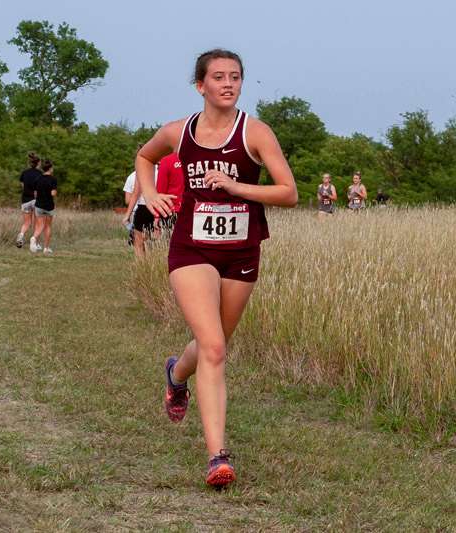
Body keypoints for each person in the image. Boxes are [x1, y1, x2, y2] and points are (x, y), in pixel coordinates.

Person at [135, 49, 297, 488]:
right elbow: (144, 158)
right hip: (191, 248)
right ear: (200, 85)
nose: (228, 83)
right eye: (219, 77)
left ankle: (176, 374)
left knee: (216, 343)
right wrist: (149, 194)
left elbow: (289, 193)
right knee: (214, 348)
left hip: (241, 251)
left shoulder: (256, 133)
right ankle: (217, 457)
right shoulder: (178, 132)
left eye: (236, 77)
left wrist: (234, 185)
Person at [122, 162, 159, 258]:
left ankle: (143, 267)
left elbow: (133, 195)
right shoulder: (164, 167)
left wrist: (127, 215)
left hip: (144, 207)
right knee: (157, 242)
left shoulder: (142, 169)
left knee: (139, 242)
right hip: (162, 206)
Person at [30, 160, 57, 254]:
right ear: (50, 168)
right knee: (48, 226)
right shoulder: (53, 179)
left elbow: (35, 193)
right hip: (49, 206)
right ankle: (46, 248)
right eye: (52, 168)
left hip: (39, 205)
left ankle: (34, 238)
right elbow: (53, 193)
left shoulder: (38, 178)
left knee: (39, 225)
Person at [15, 152, 42, 248]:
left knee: (26, 223)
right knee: (37, 222)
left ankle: (21, 235)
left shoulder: (24, 173)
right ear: (38, 163)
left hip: (25, 200)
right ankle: (35, 243)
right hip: (35, 200)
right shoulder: (40, 174)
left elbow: (23, 186)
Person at [155, 151, 184, 232]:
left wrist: (156, 215)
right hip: (194, 209)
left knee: (171, 242)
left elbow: (160, 190)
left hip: (171, 210)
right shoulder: (198, 157)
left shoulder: (167, 160)